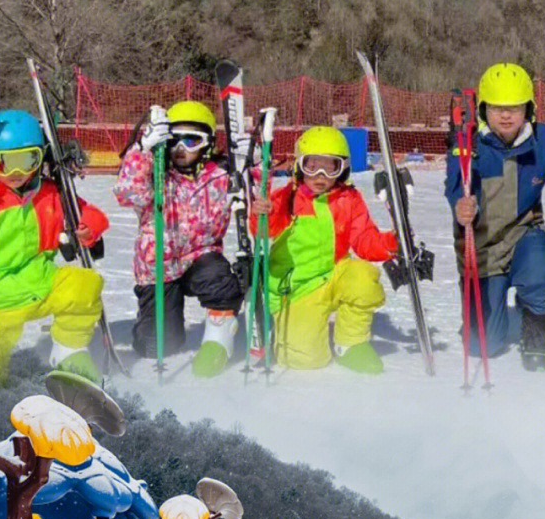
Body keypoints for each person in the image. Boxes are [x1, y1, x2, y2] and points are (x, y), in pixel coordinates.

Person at [446, 62, 545, 370]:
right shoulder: (468, 143)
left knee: (541, 273)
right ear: (484, 108)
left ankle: (536, 335)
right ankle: (491, 314)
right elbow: (455, 185)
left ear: (529, 109)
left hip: (525, 235)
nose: (507, 115)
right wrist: (461, 206)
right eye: (498, 108)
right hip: (482, 245)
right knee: (483, 346)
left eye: (515, 107)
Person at [0, 108, 108, 386]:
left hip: (38, 283)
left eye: (27, 160)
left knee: (84, 285)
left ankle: (68, 353)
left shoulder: (50, 193)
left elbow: (88, 213)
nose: (15, 173)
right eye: (2, 163)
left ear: (40, 158)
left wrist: (88, 229)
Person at [249, 126, 398, 372]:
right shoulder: (287, 198)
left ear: (343, 169)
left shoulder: (348, 198)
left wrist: (393, 243)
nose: (320, 175)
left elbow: (364, 239)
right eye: (312, 165)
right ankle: (284, 331)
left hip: (334, 275)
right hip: (298, 288)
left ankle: (350, 343)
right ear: (299, 166)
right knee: (305, 360)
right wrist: (262, 215)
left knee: (363, 278)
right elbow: (266, 230)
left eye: (330, 167)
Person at [115, 100, 243, 376]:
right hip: (158, 264)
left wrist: (249, 164)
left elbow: (253, 199)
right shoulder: (156, 174)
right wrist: (143, 152)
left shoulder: (220, 176)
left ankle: (218, 342)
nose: (181, 148)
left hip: (200, 256)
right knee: (161, 346)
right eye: (174, 140)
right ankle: (148, 330)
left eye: (192, 140)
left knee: (221, 282)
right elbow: (126, 193)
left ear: (207, 144)